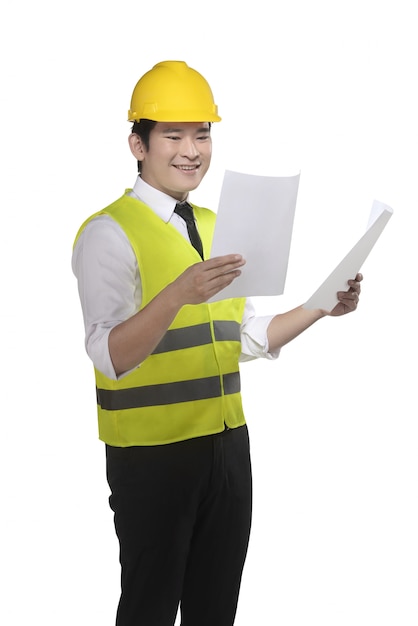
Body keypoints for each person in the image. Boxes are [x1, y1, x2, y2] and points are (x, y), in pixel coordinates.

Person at [72, 60, 362, 626]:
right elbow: (109, 357)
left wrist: (320, 306)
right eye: (173, 135)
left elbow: (248, 338)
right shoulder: (108, 233)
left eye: (202, 134)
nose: (191, 150)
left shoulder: (217, 221)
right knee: (149, 608)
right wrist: (178, 293)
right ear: (138, 143)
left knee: (216, 609)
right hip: (151, 459)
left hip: (228, 448)